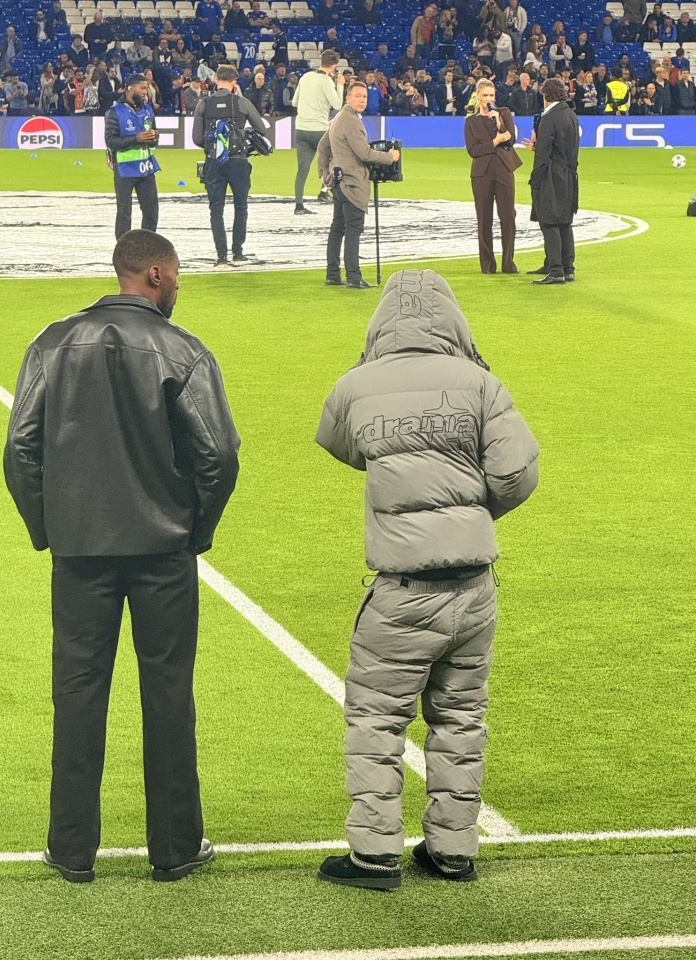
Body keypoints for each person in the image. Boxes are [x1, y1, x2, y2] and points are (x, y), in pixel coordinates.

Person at [3, 229, 240, 884]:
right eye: (177, 273)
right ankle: (176, 847)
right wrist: (196, 530)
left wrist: (50, 529)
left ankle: (71, 849)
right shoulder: (183, 349)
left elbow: (20, 448)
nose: (180, 284)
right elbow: (218, 455)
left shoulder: (52, 343)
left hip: (81, 551)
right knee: (168, 692)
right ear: (155, 275)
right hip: (164, 552)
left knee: (77, 691)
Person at [315, 268, 539, 890]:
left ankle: (374, 855)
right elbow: (517, 473)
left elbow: (340, 444)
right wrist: (467, 513)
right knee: (461, 716)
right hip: (475, 586)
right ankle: (452, 851)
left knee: (377, 718)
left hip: (402, 590)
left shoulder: (355, 385)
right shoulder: (481, 383)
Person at [317, 81, 399, 289]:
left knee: (338, 227)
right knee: (353, 229)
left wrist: (324, 173)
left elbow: (323, 145)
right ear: (348, 98)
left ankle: (333, 273)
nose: (362, 100)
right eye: (358, 96)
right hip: (352, 183)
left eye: (364, 97)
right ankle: (353, 276)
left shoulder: (339, 118)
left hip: (338, 181)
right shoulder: (352, 121)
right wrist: (390, 157)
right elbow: (365, 153)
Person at [192, 63, 269, 267]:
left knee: (216, 209)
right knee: (240, 206)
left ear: (216, 80)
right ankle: (237, 251)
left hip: (214, 162)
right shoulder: (242, 102)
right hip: (238, 161)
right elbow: (262, 129)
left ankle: (221, 255)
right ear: (234, 83)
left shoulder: (203, 104)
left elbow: (197, 138)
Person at [522, 77, 579, 285]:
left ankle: (555, 270)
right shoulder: (570, 114)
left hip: (551, 176)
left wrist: (535, 180)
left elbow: (543, 155)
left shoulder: (548, 118)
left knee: (549, 221)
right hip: (569, 175)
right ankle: (568, 267)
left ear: (546, 95)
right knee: (565, 221)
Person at [465, 77, 522, 275]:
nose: (489, 99)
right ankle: (488, 265)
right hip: (481, 174)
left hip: (504, 169)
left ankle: (508, 263)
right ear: (478, 97)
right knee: (484, 218)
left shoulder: (503, 113)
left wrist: (499, 123)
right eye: (485, 95)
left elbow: (511, 140)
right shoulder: (470, 121)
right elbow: (473, 150)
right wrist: (495, 141)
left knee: (508, 216)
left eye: (491, 95)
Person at [105, 73, 160, 240]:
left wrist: (153, 138)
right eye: (142, 88)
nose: (145, 92)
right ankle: (123, 248)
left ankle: (147, 245)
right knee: (124, 212)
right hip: (125, 168)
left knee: (151, 211)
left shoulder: (147, 109)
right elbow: (110, 141)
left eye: (146, 88)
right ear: (130, 88)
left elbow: (155, 139)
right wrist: (137, 139)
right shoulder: (115, 112)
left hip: (146, 168)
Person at [292, 49, 345, 215]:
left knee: (302, 169)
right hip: (319, 130)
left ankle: (299, 205)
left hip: (301, 128)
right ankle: (324, 192)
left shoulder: (305, 77)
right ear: (334, 66)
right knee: (333, 162)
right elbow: (337, 105)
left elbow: (294, 102)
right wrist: (340, 85)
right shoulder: (326, 81)